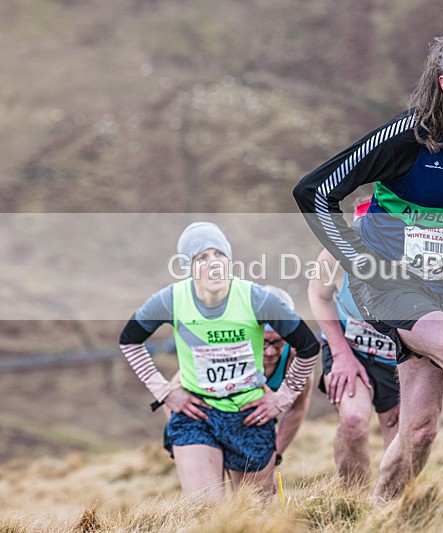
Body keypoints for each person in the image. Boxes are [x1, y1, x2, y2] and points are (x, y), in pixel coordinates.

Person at [293, 28, 443, 500]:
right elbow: (313, 192)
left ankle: (379, 513)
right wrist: (360, 263)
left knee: (420, 431)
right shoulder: (406, 138)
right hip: (387, 286)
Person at [119, 222, 320, 500]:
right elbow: (129, 341)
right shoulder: (171, 299)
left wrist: (281, 398)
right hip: (198, 415)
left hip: (249, 415)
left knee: (254, 515)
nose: (213, 264)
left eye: (219, 255)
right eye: (202, 257)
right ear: (188, 266)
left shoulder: (256, 298)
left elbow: (309, 347)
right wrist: (164, 392)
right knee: (206, 511)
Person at [161, 285, 313, 470]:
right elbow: (172, 395)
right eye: (264, 342)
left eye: (278, 342)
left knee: (251, 494)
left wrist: (275, 455)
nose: (271, 351)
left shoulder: (296, 359)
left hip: (252, 431)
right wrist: (187, 438)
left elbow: (297, 408)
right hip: (210, 426)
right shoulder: (226, 347)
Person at [308, 200, 400, 486]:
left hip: (397, 359)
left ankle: (393, 511)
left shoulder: (412, 255)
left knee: (400, 436)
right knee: (353, 420)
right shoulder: (336, 253)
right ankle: (351, 502)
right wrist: (340, 354)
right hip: (350, 349)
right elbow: (317, 296)